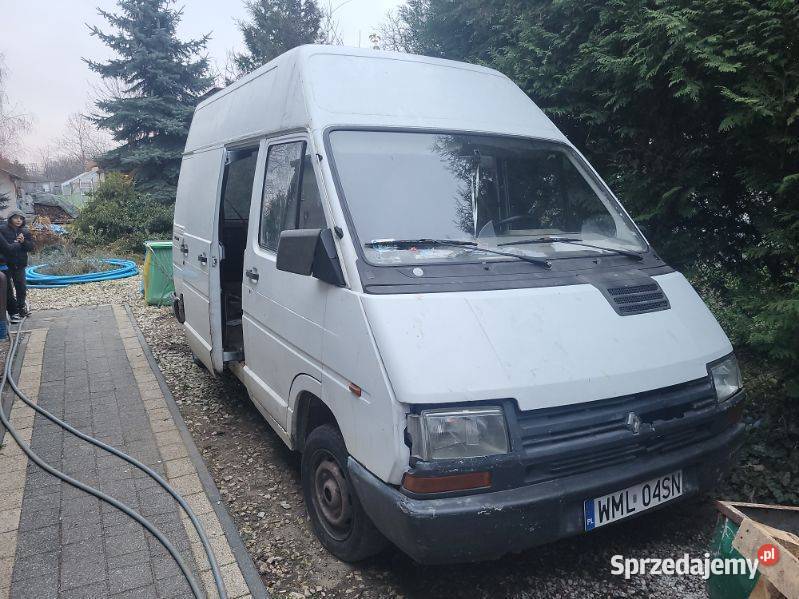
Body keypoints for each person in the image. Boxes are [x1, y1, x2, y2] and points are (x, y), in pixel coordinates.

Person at [0, 211, 33, 323]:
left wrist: (23, 241)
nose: (19, 220)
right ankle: (13, 312)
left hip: (20, 264)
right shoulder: (3, 230)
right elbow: (5, 248)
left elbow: (30, 247)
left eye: (21, 218)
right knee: (8, 290)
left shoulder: (25, 231)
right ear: (10, 219)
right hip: (6, 264)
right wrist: (16, 243)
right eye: (16, 218)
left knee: (21, 288)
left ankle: (21, 308)